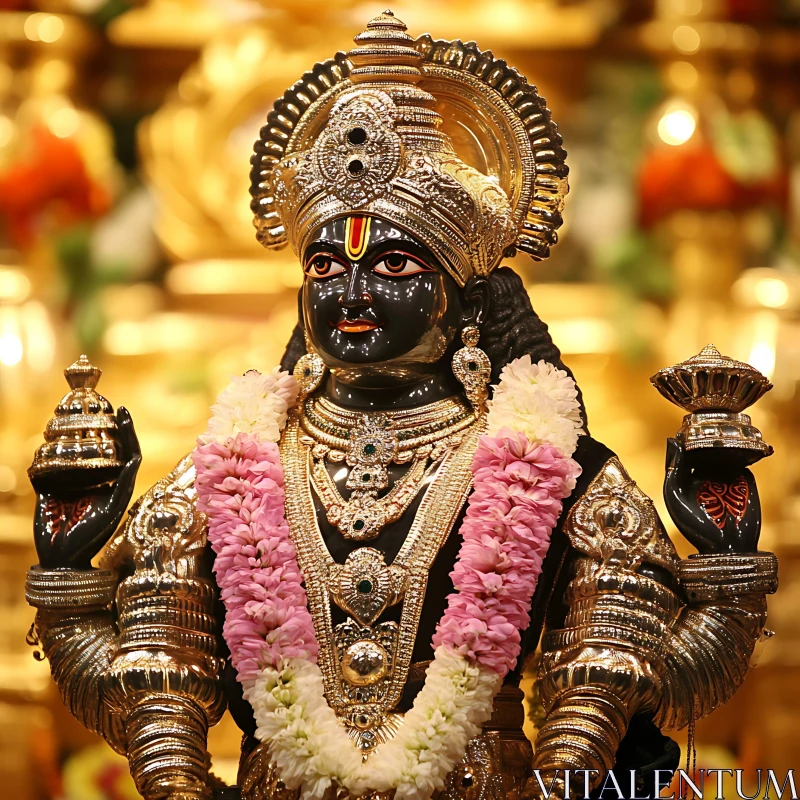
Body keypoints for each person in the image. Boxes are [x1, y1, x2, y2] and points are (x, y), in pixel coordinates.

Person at [25, 12, 777, 800]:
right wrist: (69, 577)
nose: (350, 293)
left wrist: (726, 565)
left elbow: (620, 670)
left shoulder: (551, 468)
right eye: (323, 264)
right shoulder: (235, 465)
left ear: (463, 296)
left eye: (392, 263)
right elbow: (159, 671)